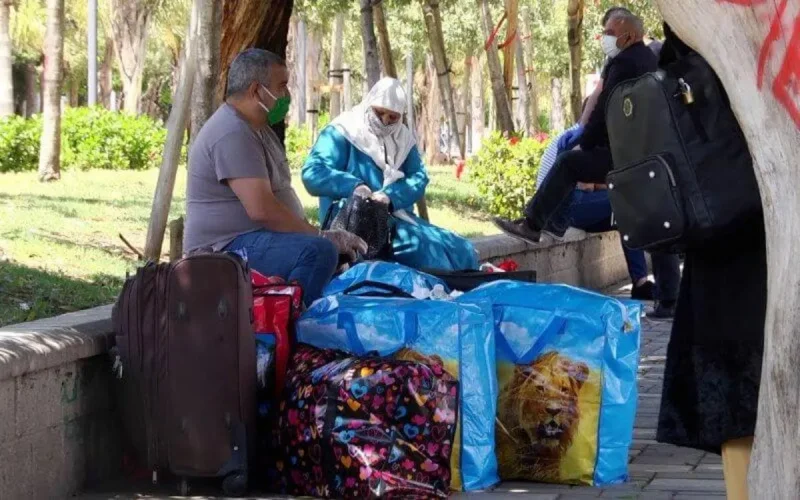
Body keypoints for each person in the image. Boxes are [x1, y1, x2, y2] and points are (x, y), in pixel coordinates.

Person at [655, 24, 767, 500]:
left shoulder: (696, 43)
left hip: (724, 213)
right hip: (737, 223)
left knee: (737, 392)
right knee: (741, 387)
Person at [183, 48, 367, 303]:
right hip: (223, 250)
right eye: (282, 86)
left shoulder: (258, 129)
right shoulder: (231, 133)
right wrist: (320, 236)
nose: (287, 95)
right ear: (256, 90)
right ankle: (287, 320)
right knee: (318, 252)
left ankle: (290, 310)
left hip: (251, 241)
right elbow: (263, 210)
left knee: (333, 256)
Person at [493, 10, 658, 244]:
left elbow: (604, 109)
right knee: (570, 162)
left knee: (568, 162)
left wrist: (586, 143)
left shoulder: (624, 63)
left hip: (622, 155)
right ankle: (555, 224)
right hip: (637, 153)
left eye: (610, 33)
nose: (605, 38)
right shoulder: (649, 60)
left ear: (629, 36)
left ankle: (531, 226)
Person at [302, 77, 479, 271]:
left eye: (393, 117)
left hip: (396, 218)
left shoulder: (402, 137)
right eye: (379, 113)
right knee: (431, 257)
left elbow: (419, 177)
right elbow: (313, 172)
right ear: (369, 104)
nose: (385, 121)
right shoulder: (343, 131)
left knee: (463, 250)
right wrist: (355, 186)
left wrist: (390, 196)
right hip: (355, 222)